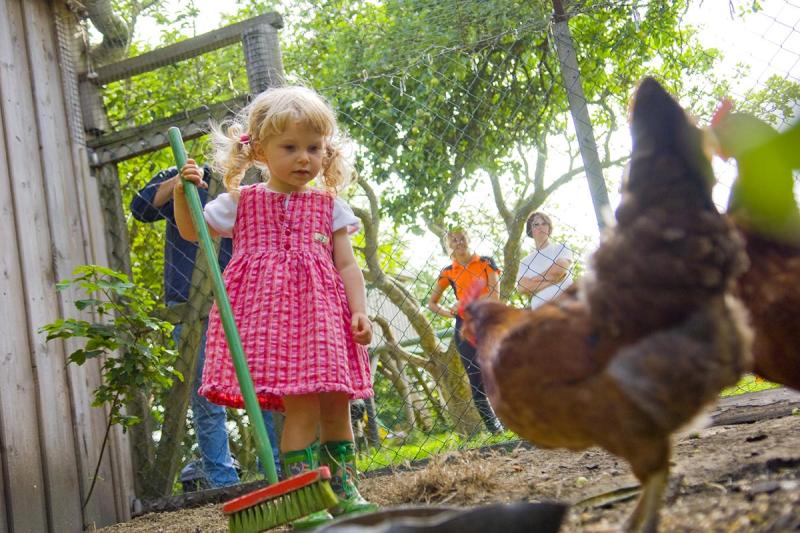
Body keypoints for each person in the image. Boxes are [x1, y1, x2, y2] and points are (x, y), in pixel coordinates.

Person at [174, 85, 377, 524]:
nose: (305, 158)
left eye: (314, 148)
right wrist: (181, 193)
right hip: (274, 325)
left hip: (325, 321)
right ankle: (304, 499)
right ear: (261, 151)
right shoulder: (241, 203)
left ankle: (342, 489)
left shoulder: (330, 206)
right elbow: (193, 232)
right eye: (290, 147)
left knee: (337, 403)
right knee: (301, 407)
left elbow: (347, 265)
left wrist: (359, 310)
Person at [130, 166, 281, 488]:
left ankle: (279, 470)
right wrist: (181, 181)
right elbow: (140, 208)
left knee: (265, 387)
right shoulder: (187, 176)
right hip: (189, 302)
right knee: (206, 397)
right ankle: (221, 481)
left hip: (245, 296)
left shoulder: (256, 186)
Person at [427, 228, 504, 435]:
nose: (458, 242)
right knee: (475, 375)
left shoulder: (486, 262)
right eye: (453, 239)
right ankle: (495, 429)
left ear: (469, 239)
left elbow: (495, 294)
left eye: (462, 238)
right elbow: (431, 303)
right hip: (464, 325)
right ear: (448, 245)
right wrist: (450, 312)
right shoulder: (448, 272)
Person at [516, 212, 573, 309]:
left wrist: (533, 281)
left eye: (544, 223)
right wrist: (552, 281)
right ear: (530, 230)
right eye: (536, 224)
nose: (540, 227)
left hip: (565, 307)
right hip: (540, 313)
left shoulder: (561, 248)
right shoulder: (525, 262)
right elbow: (522, 288)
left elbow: (558, 271)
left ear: (549, 228)